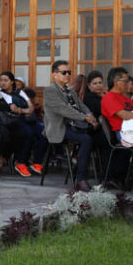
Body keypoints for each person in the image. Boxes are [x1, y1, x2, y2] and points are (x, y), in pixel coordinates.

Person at [42, 61, 97, 192]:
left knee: (97, 136)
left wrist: (90, 115)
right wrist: (85, 118)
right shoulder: (50, 90)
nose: (67, 75)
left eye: (69, 73)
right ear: (54, 75)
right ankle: (81, 179)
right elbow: (64, 110)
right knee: (86, 139)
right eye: (64, 72)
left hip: (74, 126)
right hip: (59, 128)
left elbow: (81, 106)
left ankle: (108, 175)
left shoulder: (70, 91)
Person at [0, 71, 45, 177]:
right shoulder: (0, 93)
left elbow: (31, 107)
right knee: (28, 133)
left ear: (12, 82)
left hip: (28, 119)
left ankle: (37, 163)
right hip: (14, 121)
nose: (3, 83)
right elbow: (13, 109)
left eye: (5, 80)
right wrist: (24, 111)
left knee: (44, 132)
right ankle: (21, 163)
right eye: (1, 80)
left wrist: (22, 110)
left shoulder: (19, 91)